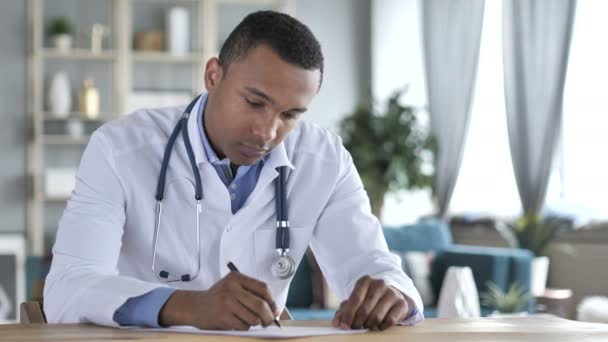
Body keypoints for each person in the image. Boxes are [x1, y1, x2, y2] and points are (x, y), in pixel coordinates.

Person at [44, 11, 423, 331]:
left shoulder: (325, 160)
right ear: (213, 76)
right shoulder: (119, 149)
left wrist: (391, 295)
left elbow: (372, 265)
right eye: (255, 102)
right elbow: (67, 289)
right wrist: (186, 306)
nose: (268, 132)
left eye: (290, 115)